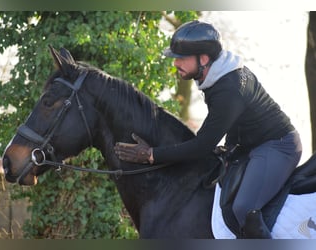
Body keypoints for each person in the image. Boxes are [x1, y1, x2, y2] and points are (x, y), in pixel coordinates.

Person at [114, 20, 302, 238]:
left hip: (279, 147)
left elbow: (202, 145)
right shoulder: (218, 74)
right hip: (252, 145)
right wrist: (230, 147)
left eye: (181, 58)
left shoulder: (228, 89)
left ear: (203, 59)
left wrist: (152, 155)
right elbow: (235, 121)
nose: (175, 64)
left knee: (243, 209)